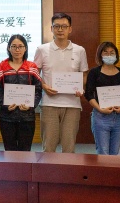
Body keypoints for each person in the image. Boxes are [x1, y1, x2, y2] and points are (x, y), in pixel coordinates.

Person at [34, 12, 88, 153]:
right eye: (56, 26)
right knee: (49, 147)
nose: (60, 30)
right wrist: (44, 86)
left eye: (64, 26)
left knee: (69, 148)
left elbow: (84, 75)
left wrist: (81, 88)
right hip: (49, 104)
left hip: (72, 105)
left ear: (70, 29)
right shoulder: (42, 49)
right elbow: (35, 74)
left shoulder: (80, 50)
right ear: (51, 29)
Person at [0, 35, 43, 151]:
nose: (17, 50)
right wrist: (5, 105)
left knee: (25, 151)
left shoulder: (32, 67)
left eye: (20, 46)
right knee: (9, 151)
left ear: (25, 48)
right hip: (7, 117)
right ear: (9, 48)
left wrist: (31, 105)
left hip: (27, 117)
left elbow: (38, 90)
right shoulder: (2, 67)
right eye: (14, 46)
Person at [84, 42, 120, 155]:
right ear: (100, 55)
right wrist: (100, 108)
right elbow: (88, 94)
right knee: (103, 152)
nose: (109, 55)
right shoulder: (94, 73)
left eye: (112, 53)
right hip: (100, 117)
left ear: (116, 55)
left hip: (118, 117)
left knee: (114, 152)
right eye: (106, 52)